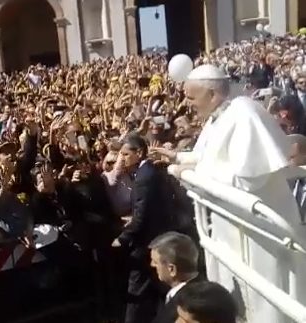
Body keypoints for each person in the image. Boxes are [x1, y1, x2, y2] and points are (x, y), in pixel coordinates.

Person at [156, 64, 306, 323]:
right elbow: (210, 156)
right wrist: (178, 157)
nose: (187, 103)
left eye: (191, 97)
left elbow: (248, 178)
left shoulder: (244, 113)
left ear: (212, 94)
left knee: (268, 300)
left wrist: (190, 173)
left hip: (261, 232)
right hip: (235, 229)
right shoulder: (220, 117)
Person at [112, 134, 173, 323]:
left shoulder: (144, 177)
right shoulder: (146, 172)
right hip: (155, 238)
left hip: (146, 242)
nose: (122, 158)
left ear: (139, 153)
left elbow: (141, 217)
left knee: (137, 288)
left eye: (125, 154)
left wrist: (122, 238)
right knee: (158, 287)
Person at [149, 232, 201, 323]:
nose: (152, 265)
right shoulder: (201, 288)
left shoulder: (186, 310)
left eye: (155, 262)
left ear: (172, 269)